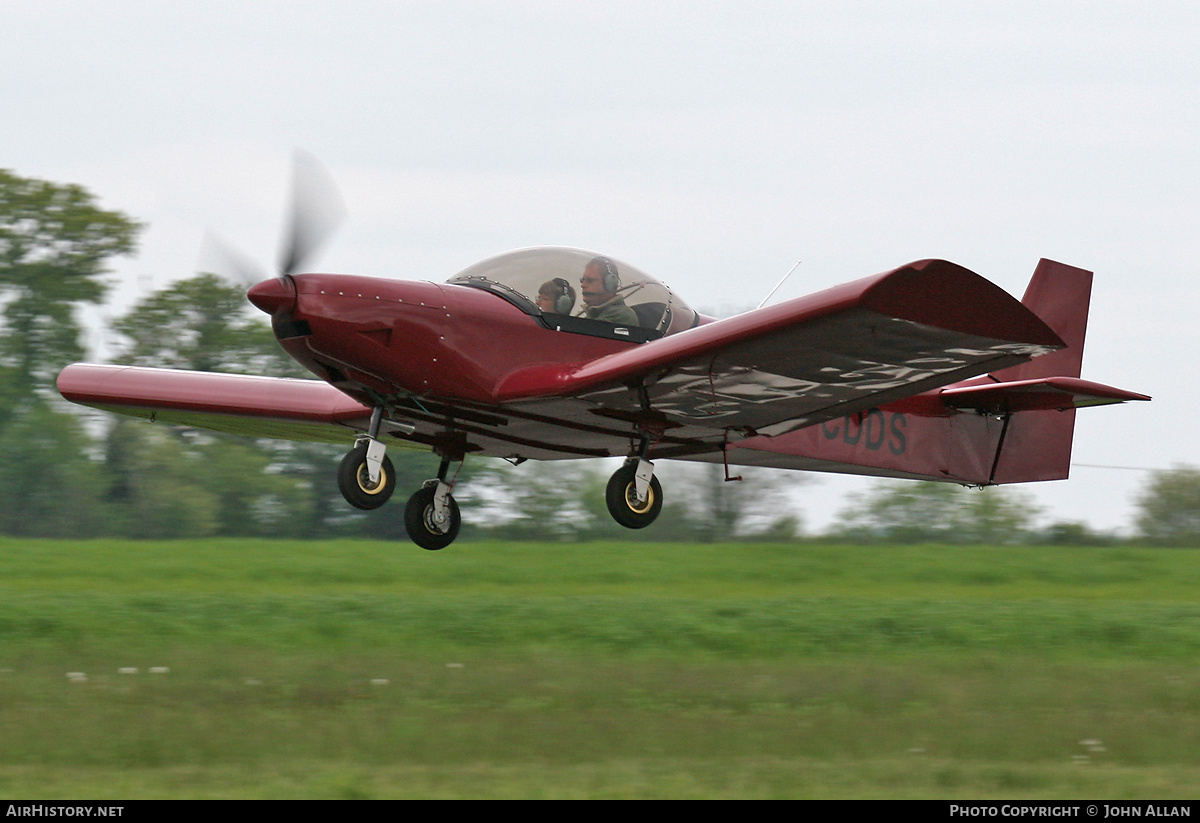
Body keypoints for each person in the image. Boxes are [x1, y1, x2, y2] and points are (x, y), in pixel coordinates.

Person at [578, 256, 638, 326]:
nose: (583, 285)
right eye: (582, 280)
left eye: (590, 280)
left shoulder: (621, 315)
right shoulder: (593, 314)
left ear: (610, 283)